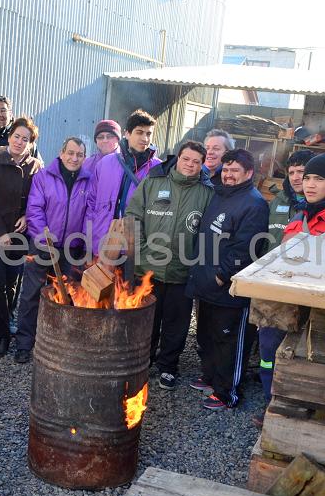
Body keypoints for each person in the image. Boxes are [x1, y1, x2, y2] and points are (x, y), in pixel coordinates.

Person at [125, 141, 213, 390]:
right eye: (186, 159)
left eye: (196, 162)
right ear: (177, 159)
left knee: (176, 323)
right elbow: (133, 216)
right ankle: (143, 361)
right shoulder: (154, 182)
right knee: (147, 320)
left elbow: (209, 233)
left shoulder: (207, 193)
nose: (190, 165)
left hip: (182, 272)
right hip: (148, 269)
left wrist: (196, 262)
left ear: (202, 165)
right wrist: (142, 251)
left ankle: (168, 367)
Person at [186, 149, 269, 410]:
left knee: (230, 341)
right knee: (208, 336)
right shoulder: (220, 195)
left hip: (229, 288)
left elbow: (246, 248)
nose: (229, 175)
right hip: (207, 282)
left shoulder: (254, 203)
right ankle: (211, 378)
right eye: (227, 170)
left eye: (235, 171)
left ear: (249, 173)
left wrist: (222, 276)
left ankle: (227, 393)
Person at [14, 137, 91, 363]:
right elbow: (35, 209)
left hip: (72, 248)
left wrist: (85, 243)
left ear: (84, 158)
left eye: (79, 154)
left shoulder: (89, 181)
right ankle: (24, 344)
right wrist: (42, 238)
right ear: (61, 152)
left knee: (67, 297)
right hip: (42, 245)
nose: (74, 158)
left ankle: (59, 343)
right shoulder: (44, 176)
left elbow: (91, 213)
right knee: (31, 294)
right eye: (70, 153)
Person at [253, 149, 312, 427]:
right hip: (272, 290)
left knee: (299, 352)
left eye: (303, 172)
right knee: (268, 351)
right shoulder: (277, 201)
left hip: (304, 291)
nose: (298, 178)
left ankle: (295, 409)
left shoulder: (317, 205)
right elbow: (264, 243)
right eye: (293, 172)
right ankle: (270, 405)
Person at [0, 117, 42, 358]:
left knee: (12, 286)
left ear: (31, 143)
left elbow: (39, 199)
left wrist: (27, 216)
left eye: (26, 139)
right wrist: (0, 233)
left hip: (19, 237)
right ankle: (2, 335)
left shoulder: (35, 167)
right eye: (17, 136)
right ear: (9, 136)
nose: (20, 141)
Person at [87, 110, 162, 254]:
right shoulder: (105, 164)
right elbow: (91, 203)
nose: (145, 138)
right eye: (139, 132)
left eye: (148, 133)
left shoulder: (158, 168)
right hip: (101, 243)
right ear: (127, 133)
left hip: (136, 248)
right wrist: (89, 237)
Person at [266, 150, 313, 249]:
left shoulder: (319, 205)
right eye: (291, 173)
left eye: (301, 172)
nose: (295, 178)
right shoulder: (276, 202)